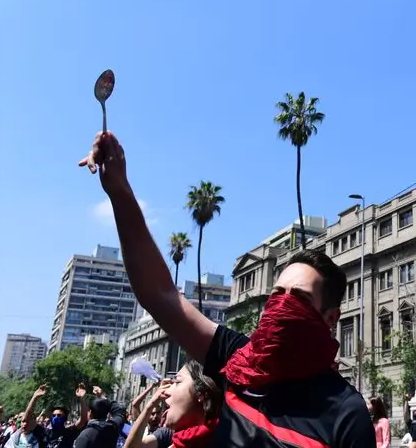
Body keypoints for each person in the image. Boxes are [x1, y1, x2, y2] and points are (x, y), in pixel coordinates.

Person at [80, 131, 374, 447]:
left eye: (299, 298)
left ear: (330, 317)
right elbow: (160, 294)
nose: (281, 305)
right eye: (276, 294)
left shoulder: (345, 412)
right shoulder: (236, 359)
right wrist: (121, 193)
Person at [124, 362, 222, 448]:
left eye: (177, 382)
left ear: (202, 392)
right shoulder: (170, 435)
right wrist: (150, 405)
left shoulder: (226, 440)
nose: (165, 391)